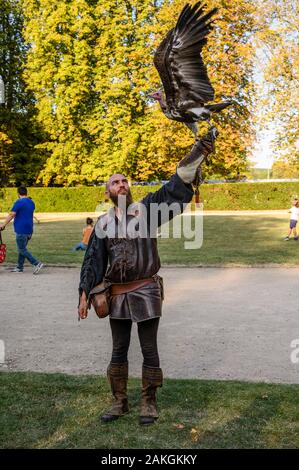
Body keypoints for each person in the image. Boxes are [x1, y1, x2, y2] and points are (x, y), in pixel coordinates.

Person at [78, 128, 217, 425]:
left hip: (146, 291)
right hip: (116, 294)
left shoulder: (148, 210)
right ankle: (119, 402)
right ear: (108, 192)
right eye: (115, 182)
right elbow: (93, 260)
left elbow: (175, 187)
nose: (122, 184)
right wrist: (84, 293)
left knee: (149, 348)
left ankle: (148, 402)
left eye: (125, 180)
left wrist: (196, 154)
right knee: (118, 349)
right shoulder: (103, 223)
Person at [0, 186, 44, 273]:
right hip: (29, 230)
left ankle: (37, 263)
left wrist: (3, 225)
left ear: (18, 193)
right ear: (26, 193)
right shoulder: (31, 202)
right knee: (22, 248)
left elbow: (12, 214)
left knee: (22, 249)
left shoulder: (19, 202)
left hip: (21, 229)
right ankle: (19, 267)